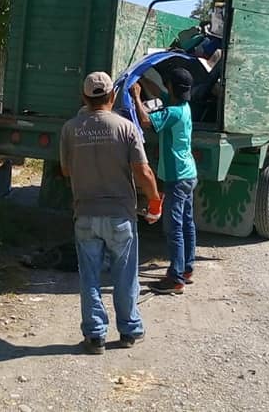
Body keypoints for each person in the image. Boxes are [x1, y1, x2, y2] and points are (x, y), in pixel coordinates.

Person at [60, 72, 162, 355]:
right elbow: (143, 171)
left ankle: (95, 336)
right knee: (125, 275)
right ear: (113, 96)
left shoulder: (70, 129)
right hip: (120, 215)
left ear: (83, 98)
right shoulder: (126, 127)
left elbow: (66, 171)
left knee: (89, 276)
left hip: (85, 214)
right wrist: (154, 201)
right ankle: (129, 330)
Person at [130, 68, 198, 295]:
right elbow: (159, 91)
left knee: (173, 227)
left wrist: (136, 97)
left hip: (176, 176)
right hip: (188, 173)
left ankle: (175, 278)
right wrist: (142, 77)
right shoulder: (183, 107)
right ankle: (187, 268)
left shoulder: (173, 112)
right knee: (187, 223)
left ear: (172, 87)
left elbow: (146, 121)